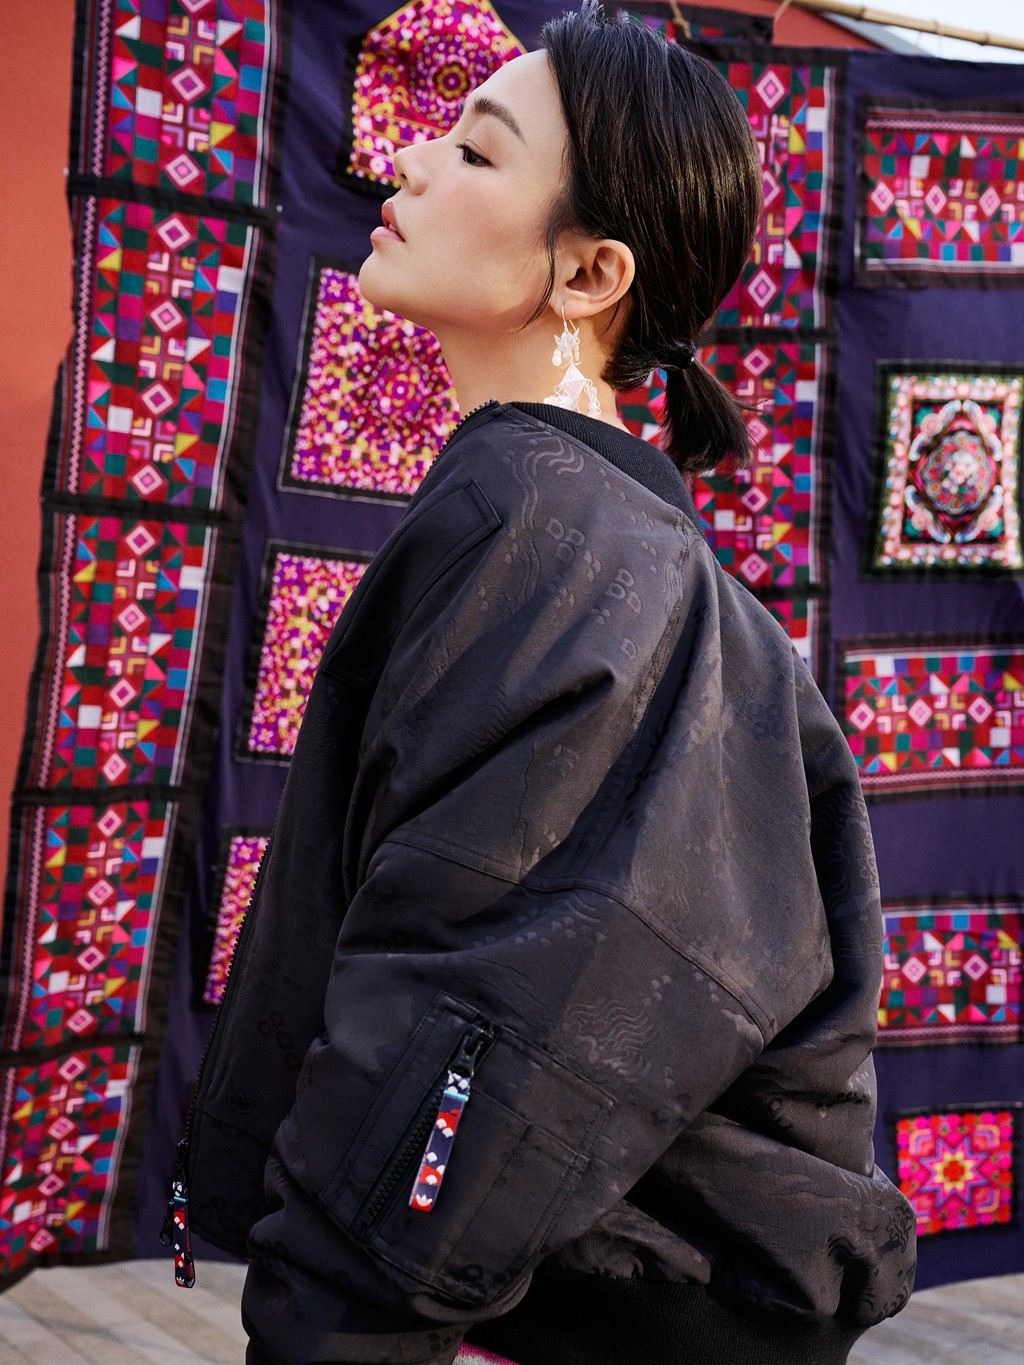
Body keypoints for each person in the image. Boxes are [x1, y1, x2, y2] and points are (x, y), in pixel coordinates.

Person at [172, 6, 917, 1362]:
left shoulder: (559, 536)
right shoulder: (579, 525)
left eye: (474, 149)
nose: (404, 160)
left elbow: (479, 1007)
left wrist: (329, 1323)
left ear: (588, 274)